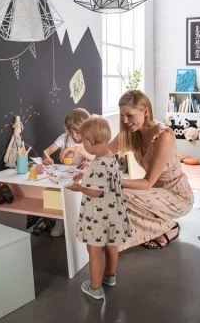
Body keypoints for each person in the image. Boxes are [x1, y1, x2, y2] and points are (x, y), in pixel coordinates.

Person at [108, 89, 194, 250]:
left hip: (177, 196)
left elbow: (147, 182)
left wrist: (114, 180)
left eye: (130, 115)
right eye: (122, 115)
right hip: (155, 193)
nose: (125, 120)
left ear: (146, 112)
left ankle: (168, 227)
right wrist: (78, 149)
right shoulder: (131, 133)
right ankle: (152, 228)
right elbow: (105, 151)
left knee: (120, 193)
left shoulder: (164, 135)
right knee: (113, 194)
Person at [67, 116, 133, 300]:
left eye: (83, 141)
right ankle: (110, 277)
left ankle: (95, 288)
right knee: (112, 245)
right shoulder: (111, 158)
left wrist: (79, 188)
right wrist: (84, 175)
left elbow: (95, 192)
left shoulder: (97, 164)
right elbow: (105, 180)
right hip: (114, 213)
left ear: (89, 142)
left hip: (98, 216)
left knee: (94, 249)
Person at [36, 108, 93, 237]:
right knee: (59, 195)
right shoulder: (64, 138)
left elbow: (99, 158)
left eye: (78, 132)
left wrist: (90, 163)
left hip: (83, 176)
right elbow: (46, 151)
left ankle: (80, 223)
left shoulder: (90, 140)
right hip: (66, 174)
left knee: (79, 200)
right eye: (71, 131)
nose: (74, 135)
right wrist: (46, 158)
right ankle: (60, 221)